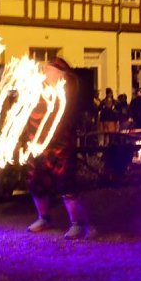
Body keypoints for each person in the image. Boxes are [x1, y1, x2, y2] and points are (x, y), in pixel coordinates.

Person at [25, 57, 94, 240]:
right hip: (38, 144)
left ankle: (78, 224)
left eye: (49, 70)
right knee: (36, 180)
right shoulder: (37, 91)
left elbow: (69, 113)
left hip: (60, 144)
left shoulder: (66, 91)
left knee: (66, 182)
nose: (44, 73)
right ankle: (44, 218)